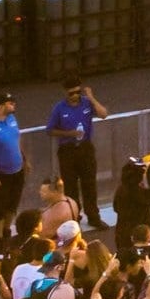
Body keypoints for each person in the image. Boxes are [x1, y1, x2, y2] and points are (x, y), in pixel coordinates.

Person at [46, 83, 101, 222]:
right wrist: (68, 133)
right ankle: (73, 216)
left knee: (89, 184)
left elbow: (104, 114)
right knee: (70, 186)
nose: (75, 96)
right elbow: (50, 130)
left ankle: (93, 216)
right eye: (71, 93)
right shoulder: (59, 108)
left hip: (85, 147)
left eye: (77, 92)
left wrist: (91, 98)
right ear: (65, 92)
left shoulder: (86, 103)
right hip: (67, 149)